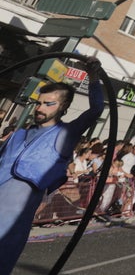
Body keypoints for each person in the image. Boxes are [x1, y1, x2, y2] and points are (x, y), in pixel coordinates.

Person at [0, 59, 104, 273]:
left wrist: (93, 76)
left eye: (49, 104)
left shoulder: (65, 133)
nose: (40, 108)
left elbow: (96, 109)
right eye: (39, 102)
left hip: (12, 221)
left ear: (63, 107)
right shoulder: (18, 134)